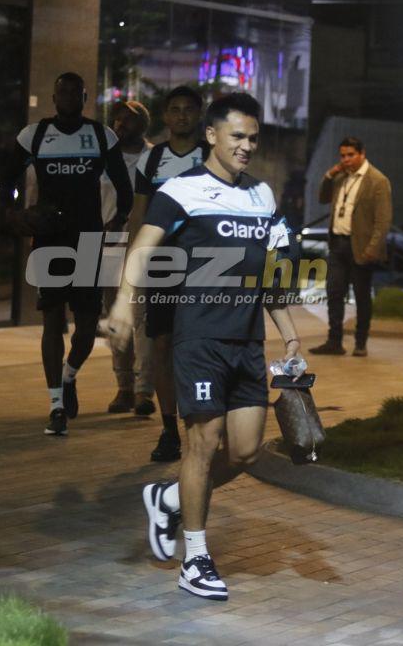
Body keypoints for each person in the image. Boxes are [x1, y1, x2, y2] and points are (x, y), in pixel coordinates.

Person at [107, 92, 301, 601]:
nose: (246, 146)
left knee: (246, 450)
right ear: (212, 135)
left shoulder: (262, 195)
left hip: (247, 340)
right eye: (237, 136)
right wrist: (124, 305)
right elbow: (143, 248)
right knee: (202, 443)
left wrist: (288, 330)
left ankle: (169, 498)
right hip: (199, 338)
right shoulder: (181, 190)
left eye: (253, 138)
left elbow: (269, 272)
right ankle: (194, 558)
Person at [0, 72, 133, 436]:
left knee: (87, 329)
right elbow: (6, 181)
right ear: (54, 98)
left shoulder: (102, 136)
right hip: (50, 239)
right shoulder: (34, 135)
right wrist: (12, 213)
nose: (69, 97)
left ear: (85, 97)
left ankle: (69, 375)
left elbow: (124, 189)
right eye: (63, 92)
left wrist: (118, 219)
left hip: (88, 240)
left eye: (76, 92)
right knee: (52, 320)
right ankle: (56, 405)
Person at [132, 85, 207, 463]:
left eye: (188, 109)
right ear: (165, 116)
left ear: (199, 115)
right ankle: (169, 431)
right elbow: (140, 215)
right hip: (163, 264)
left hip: (207, 265)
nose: (181, 115)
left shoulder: (214, 157)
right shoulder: (151, 160)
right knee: (162, 344)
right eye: (174, 109)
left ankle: (204, 425)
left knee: (200, 347)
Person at [308, 137, 392, 357]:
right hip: (338, 244)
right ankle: (334, 341)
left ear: (362, 154)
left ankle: (360, 343)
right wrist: (330, 174)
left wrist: (372, 249)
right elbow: (323, 197)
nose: (346, 159)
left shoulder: (377, 180)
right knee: (334, 293)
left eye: (350, 155)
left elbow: (383, 221)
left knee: (362, 296)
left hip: (361, 247)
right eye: (343, 155)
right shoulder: (340, 177)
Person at [100, 100, 156, 416]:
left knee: (142, 317)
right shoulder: (103, 159)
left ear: (143, 125)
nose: (121, 124)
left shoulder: (155, 158)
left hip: (143, 245)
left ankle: (144, 390)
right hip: (108, 244)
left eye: (128, 119)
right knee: (115, 316)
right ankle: (123, 386)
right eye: (117, 119)